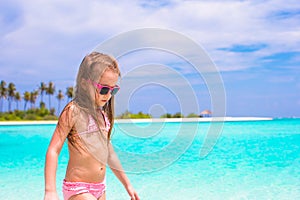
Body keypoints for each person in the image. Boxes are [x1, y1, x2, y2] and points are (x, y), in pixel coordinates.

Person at [44, 52, 140, 200]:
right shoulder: (73, 111)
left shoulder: (103, 115)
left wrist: (127, 185)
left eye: (113, 90)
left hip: (100, 188)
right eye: (103, 89)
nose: (107, 95)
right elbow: (53, 150)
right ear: (84, 84)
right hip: (78, 188)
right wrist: (50, 190)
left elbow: (110, 154)